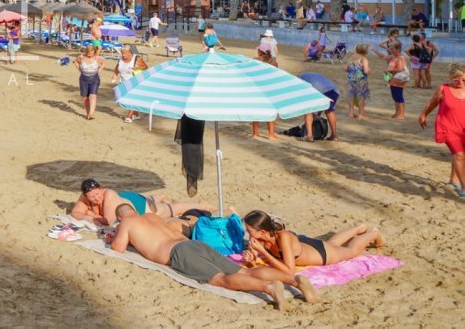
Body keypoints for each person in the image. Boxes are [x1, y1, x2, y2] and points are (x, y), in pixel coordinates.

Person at [110, 206, 315, 308]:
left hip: (178, 253)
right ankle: (293, 280)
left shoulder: (126, 224)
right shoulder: (152, 216)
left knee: (220, 279)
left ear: (120, 217)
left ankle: (268, 287)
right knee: (245, 270)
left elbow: (118, 248)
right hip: (195, 244)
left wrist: (114, 235)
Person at [243, 210, 386, 273]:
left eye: (250, 230)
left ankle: (374, 233)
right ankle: (358, 228)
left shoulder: (283, 237)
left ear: (262, 231)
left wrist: (262, 252)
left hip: (321, 255)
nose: (248, 233)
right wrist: (251, 256)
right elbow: (253, 257)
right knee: (332, 244)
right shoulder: (260, 238)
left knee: (351, 250)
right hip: (308, 246)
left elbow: (289, 270)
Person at [71, 179, 211, 226]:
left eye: (97, 194)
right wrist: (89, 215)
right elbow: (75, 213)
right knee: (150, 199)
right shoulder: (85, 196)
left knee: (173, 209)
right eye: (91, 198)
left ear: (101, 189)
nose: (96, 199)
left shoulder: (108, 195)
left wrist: (89, 214)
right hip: (127, 198)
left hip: (139, 206)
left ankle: (202, 205)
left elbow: (107, 221)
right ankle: (158, 196)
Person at [419, 63, 465, 197]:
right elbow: (432, 102)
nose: (460, 82)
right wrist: (423, 114)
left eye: (464, 79)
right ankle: (463, 187)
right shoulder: (444, 88)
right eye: (457, 79)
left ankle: (453, 179)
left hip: (463, 128)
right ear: (451, 77)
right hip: (448, 127)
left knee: (462, 154)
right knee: (459, 155)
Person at [251, 49, 278, 140]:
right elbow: (275, 75)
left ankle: (255, 134)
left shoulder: (254, 60)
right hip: (269, 88)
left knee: (256, 111)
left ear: (259, 52)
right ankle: (271, 134)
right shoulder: (273, 62)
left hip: (256, 88)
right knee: (271, 111)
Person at [114, 47, 146, 123]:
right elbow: (117, 66)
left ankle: (129, 116)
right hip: (123, 82)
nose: (123, 55)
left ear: (130, 52)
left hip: (134, 81)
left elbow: (145, 67)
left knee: (131, 99)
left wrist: (136, 68)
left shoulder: (136, 59)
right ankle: (136, 114)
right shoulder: (121, 58)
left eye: (125, 53)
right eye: (122, 53)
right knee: (122, 100)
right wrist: (115, 74)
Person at [176, 115, 205, 196]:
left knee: (193, 145)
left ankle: (192, 172)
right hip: (191, 115)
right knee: (191, 146)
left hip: (194, 114)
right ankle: (192, 172)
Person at [73, 45, 104, 120]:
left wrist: (99, 71)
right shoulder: (81, 57)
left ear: (94, 51)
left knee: (93, 96)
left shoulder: (97, 58)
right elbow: (75, 61)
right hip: (83, 79)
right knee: (85, 98)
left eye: (92, 51)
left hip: (94, 79)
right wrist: (80, 70)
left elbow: (103, 64)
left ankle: (91, 113)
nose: (90, 53)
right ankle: (88, 114)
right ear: (86, 51)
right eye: (88, 52)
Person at [384, 42, 409, 120]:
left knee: (398, 96)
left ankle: (401, 114)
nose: (391, 50)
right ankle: (397, 112)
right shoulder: (395, 56)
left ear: (398, 49)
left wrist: (389, 70)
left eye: (392, 49)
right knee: (395, 97)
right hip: (394, 78)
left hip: (398, 79)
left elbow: (400, 69)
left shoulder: (400, 57)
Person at [347, 45, 372, 120]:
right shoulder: (364, 59)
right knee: (361, 97)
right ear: (365, 51)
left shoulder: (352, 57)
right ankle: (361, 114)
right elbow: (366, 71)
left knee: (351, 96)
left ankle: (351, 113)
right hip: (361, 80)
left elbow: (346, 68)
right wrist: (369, 70)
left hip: (351, 79)